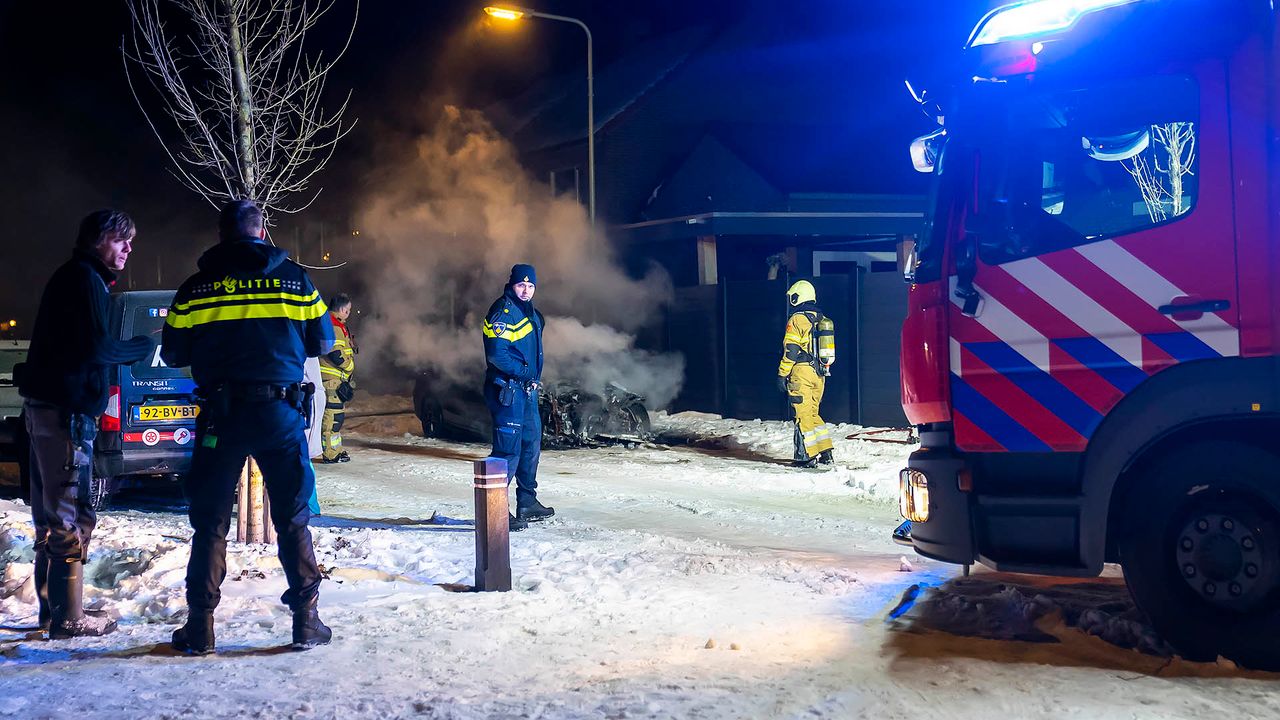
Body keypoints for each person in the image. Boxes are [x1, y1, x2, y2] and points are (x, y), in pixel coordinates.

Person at [161, 199, 335, 654]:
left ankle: (200, 627)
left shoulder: (196, 288)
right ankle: (306, 621)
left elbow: (175, 353)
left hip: (222, 415)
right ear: (264, 232)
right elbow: (323, 340)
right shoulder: (296, 281)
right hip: (279, 413)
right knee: (293, 516)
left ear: (221, 235)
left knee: (210, 521)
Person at [17, 210, 155, 638]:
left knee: (55, 513)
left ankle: (56, 608)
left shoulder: (76, 277)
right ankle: (67, 617)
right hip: (65, 414)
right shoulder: (84, 279)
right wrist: (141, 346)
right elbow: (98, 347)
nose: (129, 248)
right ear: (98, 240)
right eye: (122, 240)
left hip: (51, 409)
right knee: (71, 514)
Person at [482, 264, 554, 531]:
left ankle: (527, 502)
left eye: (531, 286)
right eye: (521, 285)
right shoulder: (503, 312)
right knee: (506, 452)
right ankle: (495, 510)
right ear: (512, 284)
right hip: (507, 391)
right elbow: (496, 355)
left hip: (525, 392)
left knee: (530, 447)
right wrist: (525, 373)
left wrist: (529, 379)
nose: (526, 290)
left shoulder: (531, 313)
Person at [776, 280, 835, 468]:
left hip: (801, 373)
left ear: (797, 297)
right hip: (819, 373)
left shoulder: (797, 319)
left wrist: (782, 373)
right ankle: (825, 453)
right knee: (812, 413)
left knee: (802, 415)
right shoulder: (821, 318)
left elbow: (791, 350)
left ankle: (805, 457)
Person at [317, 293, 355, 463]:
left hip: (335, 380)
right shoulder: (332, 325)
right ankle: (331, 454)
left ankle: (335, 450)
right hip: (332, 380)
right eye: (347, 310)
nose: (348, 313)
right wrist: (349, 366)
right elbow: (335, 353)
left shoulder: (335, 324)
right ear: (340, 309)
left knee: (335, 418)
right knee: (332, 418)